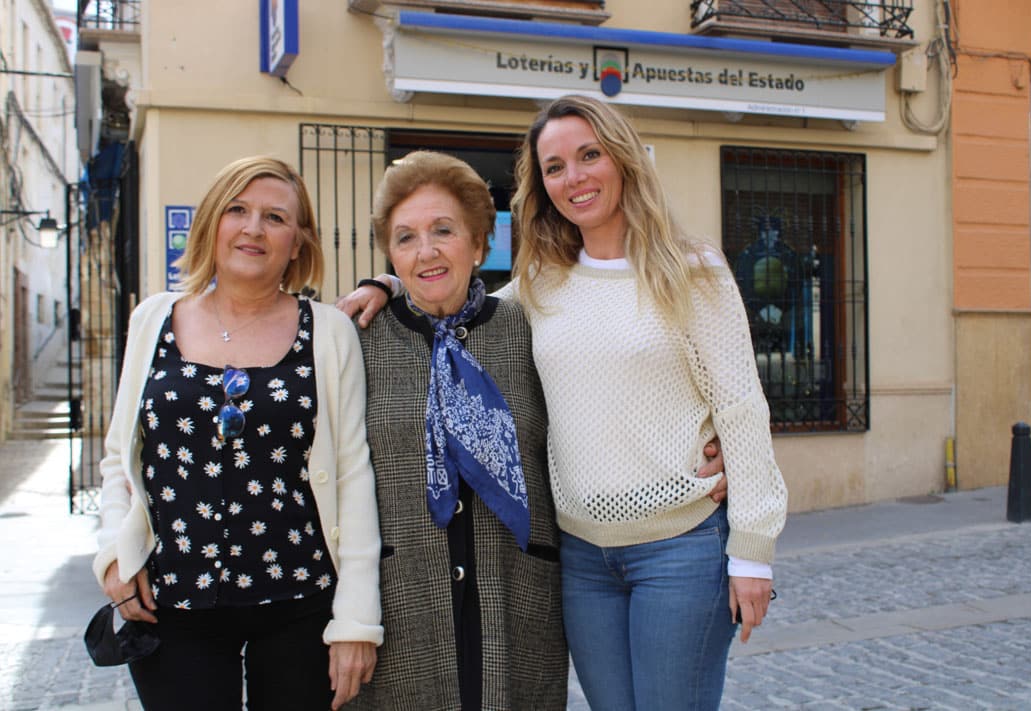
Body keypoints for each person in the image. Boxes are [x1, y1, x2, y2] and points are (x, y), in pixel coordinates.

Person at [341, 95, 787, 711]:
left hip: (679, 548)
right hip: (581, 559)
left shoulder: (692, 270)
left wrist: (753, 552)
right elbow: (457, 291)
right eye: (554, 167)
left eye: (588, 156)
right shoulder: (544, 281)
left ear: (623, 158)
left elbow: (740, 406)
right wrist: (388, 281)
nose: (573, 178)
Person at [92, 156, 382, 711]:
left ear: (298, 242)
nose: (253, 228)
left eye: (275, 217)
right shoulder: (154, 318)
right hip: (173, 603)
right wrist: (113, 554)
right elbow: (118, 458)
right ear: (211, 224)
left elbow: (352, 475)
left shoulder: (329, 332)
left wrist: (356, 620)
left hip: (300, 600)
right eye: (238, 210)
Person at [345, 150, 567, 710]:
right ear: (391, 256)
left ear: (479, 240)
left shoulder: (530, 328)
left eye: (443, 230)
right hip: (404, 605)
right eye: (406, 238)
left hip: (514, 596)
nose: (427, 252)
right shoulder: (355, 341)